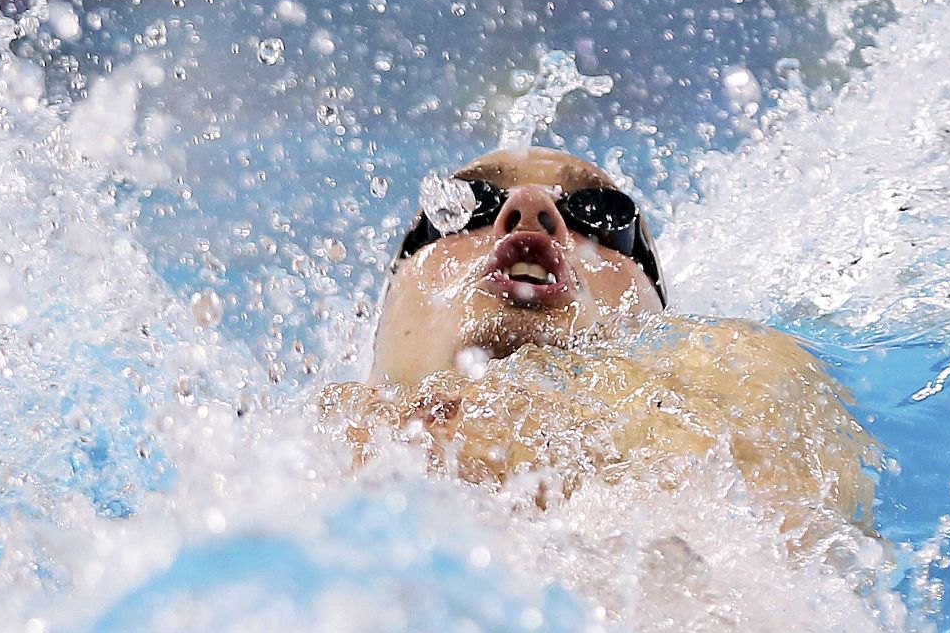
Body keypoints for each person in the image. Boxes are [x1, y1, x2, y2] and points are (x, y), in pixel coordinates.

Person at [320, 146, 879, 542]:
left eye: (602, 218)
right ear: (380, 322)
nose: (531, 207)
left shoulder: (743, 375)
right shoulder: (283, 459)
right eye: (469, 206)